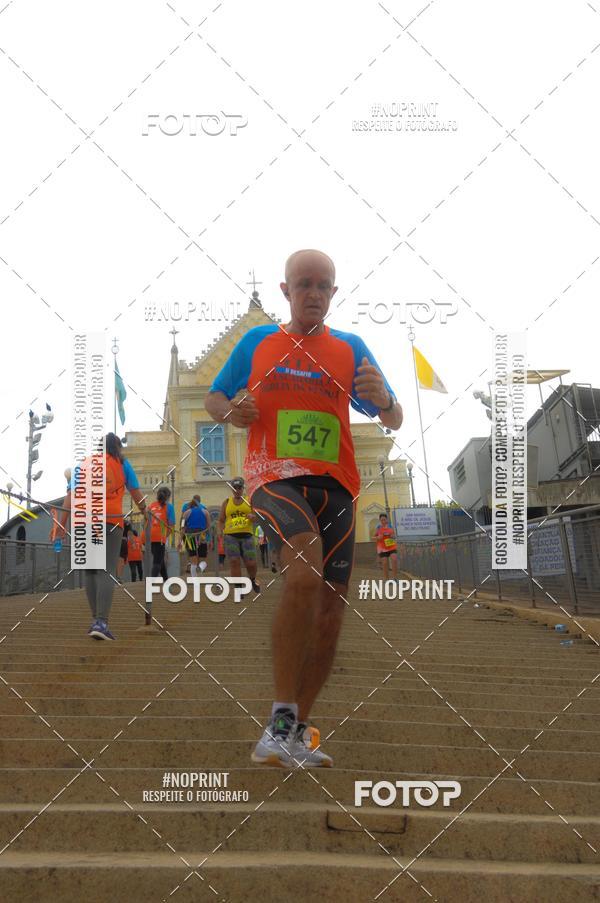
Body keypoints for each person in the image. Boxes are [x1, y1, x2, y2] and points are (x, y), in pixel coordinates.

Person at [205, 249, 402, 767]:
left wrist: (384, 400)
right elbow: (214, 399)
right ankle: (278, 724)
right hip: (274, 477)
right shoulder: (258, 342)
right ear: (286, 291)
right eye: (303, 284)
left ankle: (294, 731)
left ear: (333, 292)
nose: (313, 293)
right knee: (303, 572)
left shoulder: (350, 348)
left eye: (322, 285)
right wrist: (233, 411)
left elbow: (394, 417)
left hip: (337, 485)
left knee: (332, 609)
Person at [59, 433, 147, 640]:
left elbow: (70, 497)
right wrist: (145, 511)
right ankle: (101, 621)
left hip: (83, 520)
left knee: (90, 572)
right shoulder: (122, 464)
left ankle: (96, 621)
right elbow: (136, 493)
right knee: (105, 571)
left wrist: (61, 525)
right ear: (118, 447)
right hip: (110, 520)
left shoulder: (83, 464)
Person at [217, 478, 261, 594]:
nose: (237, 490)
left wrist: (253, 517)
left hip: (247, 535)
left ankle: (252, 580)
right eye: (234, 488)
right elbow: (221, 520)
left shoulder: (249, 501)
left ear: (243, 488)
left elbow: (258, 516)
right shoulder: (227, 502)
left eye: (239, 488)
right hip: (230, 536)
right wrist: (219, 531)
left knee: (251, 563)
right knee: (234, 561)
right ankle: (238, 588)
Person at [146, 486, 175, 581]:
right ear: (168, 496)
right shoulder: (169, 507)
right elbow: (171, 525)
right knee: (157, 562)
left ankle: (166, 581)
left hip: (150, 535)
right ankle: (150, 584)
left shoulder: (151, 505)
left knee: (160, 559)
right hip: (160, 536)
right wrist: (165, 536)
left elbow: (146, 520)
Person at [181, 497, 209, 576]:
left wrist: (180, 540)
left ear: (191, 505)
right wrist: (209, 539)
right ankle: (200, 567)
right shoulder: (206, 512)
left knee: (193, 559)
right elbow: (208, 526)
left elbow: (182, 527)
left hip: (190, 536)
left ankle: (194, 578)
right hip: (202, 535)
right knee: (203, 559)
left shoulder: (186, 513)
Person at [374, 513, 398, 579]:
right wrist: (378, 537)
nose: (383, 521)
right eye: (382, 520)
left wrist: (392, 536)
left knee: (394, 559)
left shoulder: (390, 526)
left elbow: (394, 536)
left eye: (384, 520)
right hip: (382, 548)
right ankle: (386, 579)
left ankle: (395, 578)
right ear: (380, 520)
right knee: (384, 563)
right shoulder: (378, 527)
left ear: (387, 519)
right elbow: (373, 537)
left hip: (391, 545)